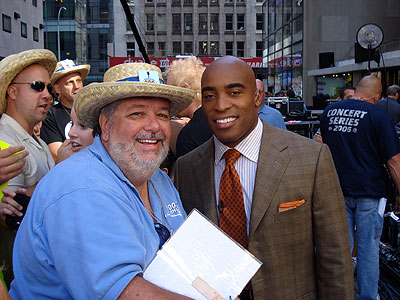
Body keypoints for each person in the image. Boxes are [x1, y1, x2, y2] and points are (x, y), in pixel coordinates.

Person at [9, 62, 200, 300]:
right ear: (106, 126)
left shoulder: (158, 179)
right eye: (137, 113)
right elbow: (121, 293)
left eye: (162, 114)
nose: (154, 126)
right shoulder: (82, 187)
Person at [174, 56, 353, 300]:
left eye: (234, 92)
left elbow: (335, 260)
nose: (221, 105)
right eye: (209, 96)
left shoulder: (311, 158)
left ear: (257, 98)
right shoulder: (187, 168)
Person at [320, 75, 400, 300]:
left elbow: (322, 147)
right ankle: (367, 297)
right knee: (368, 250)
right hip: (369, 193)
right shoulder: (378, 115)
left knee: (339, 251)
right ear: (376, 96)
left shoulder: (330, 112)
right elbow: (394, 160)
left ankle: (340, 294)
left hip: (336, 191)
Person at [0, 49, 56, 287]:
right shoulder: (6, 141)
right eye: (37, 86)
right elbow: (11, 216)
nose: (47, 95)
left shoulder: (36, 140)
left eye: (49, 89)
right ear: (12, 91)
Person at [40, 59, 90, 160]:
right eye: (69, 83)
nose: (76, 87)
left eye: (78, 81)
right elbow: (57, 153)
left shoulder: (91, 110)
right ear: (57, 89)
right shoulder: (51, 115)